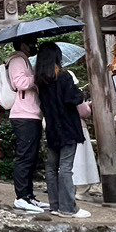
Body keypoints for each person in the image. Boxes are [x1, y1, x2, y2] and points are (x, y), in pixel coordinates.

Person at [36, 41, 91, 218]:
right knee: (66, 168)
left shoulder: (41, 81)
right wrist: (80, 93)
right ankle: (68, 208)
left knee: (52, 168)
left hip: (52, 128)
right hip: (67, 127)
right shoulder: (64, 76)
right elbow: (73, 99)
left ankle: (55, 205)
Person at [6, 44, 46, 212]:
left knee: (31, 157)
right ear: (23, 43)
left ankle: (29, 195)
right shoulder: (16, 60)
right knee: (24, 156)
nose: (34, 44)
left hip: (32, 113)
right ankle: (21, 196)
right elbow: (20, 83)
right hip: (23, 114)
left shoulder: (25, 61)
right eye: (31, 41)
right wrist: (37, 77)